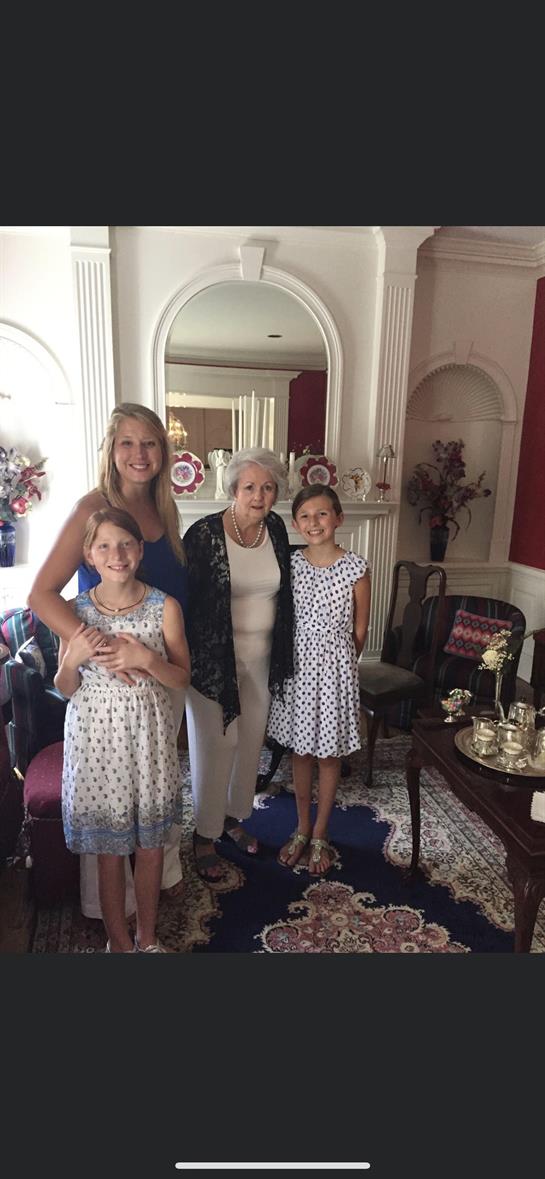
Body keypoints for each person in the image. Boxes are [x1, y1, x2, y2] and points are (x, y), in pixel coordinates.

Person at [28, 403, 188, 915]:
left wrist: (154, 657)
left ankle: (158, 885)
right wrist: (94, 647)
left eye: (150, 443)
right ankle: (112, 918)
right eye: (128, 442)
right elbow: (42, 594)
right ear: (111, 450)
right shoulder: (90, 507)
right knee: (117, 800)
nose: (139, 454)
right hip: (108, 691)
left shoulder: (165, 509)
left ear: (163, 452)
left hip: (158, 674)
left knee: (154, 788)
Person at [54, 508, 190, 952]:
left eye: (126, 543)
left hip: (148, 737)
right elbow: (65, 686)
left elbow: (182, 677)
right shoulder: (74, 612)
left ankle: (147, 940)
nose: (117, 554)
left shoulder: (164, 606)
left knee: (149, 845)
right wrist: (72, 660)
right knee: (110, 851)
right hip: (96, 740)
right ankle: (120, 945)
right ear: (89, 555)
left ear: (141, 549)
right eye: (105, 546)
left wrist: (148, 660)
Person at [184, 446, 293, 882]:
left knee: (249, 741)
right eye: (250, 486)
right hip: (213, 662)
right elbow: (187, 601)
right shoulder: (205, 534)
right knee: (216, 745)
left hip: (262, 659)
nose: (259, 496)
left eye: (268, 488)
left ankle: (232, 817)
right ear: (233, 489)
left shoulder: (278, 530)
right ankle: (204, 835)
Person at [267, 485, 371, 875]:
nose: (314, 522)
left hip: (335, 672)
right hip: (297, 670)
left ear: (338, 518)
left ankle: (322, 832)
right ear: (296, 524)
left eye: (323, 514)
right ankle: (302, 827)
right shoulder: (290, 565)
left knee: (329, 755)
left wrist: (338, 664)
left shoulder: (356, 567)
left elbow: (360, 630)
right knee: (300, 751)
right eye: (306, 516)